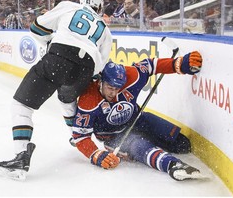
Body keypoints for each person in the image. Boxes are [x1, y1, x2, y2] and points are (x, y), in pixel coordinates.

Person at [0, 0, 112, 180]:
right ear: (99, 8)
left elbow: (37, 28)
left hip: (59, 56)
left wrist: (52, 43)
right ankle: (76, 137)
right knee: (66, 99)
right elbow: (99, 65)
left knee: (21, 106)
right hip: (86, 67)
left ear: (81, 1)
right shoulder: (105, 29)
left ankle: (21, 156)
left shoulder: (69, 7)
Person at [70, 51, 204, 181]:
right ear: (101, 81)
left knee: (182, 145)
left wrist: (179, 64)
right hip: (114, 136)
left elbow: (151, 65)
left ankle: (150, 143)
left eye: (118, 88)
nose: (113, 93)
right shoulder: (88, 99)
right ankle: (173, 165)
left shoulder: (132, 76)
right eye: (110, 88)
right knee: (139, 145)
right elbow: (80, 137)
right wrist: (97, 155)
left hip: (138, 119)